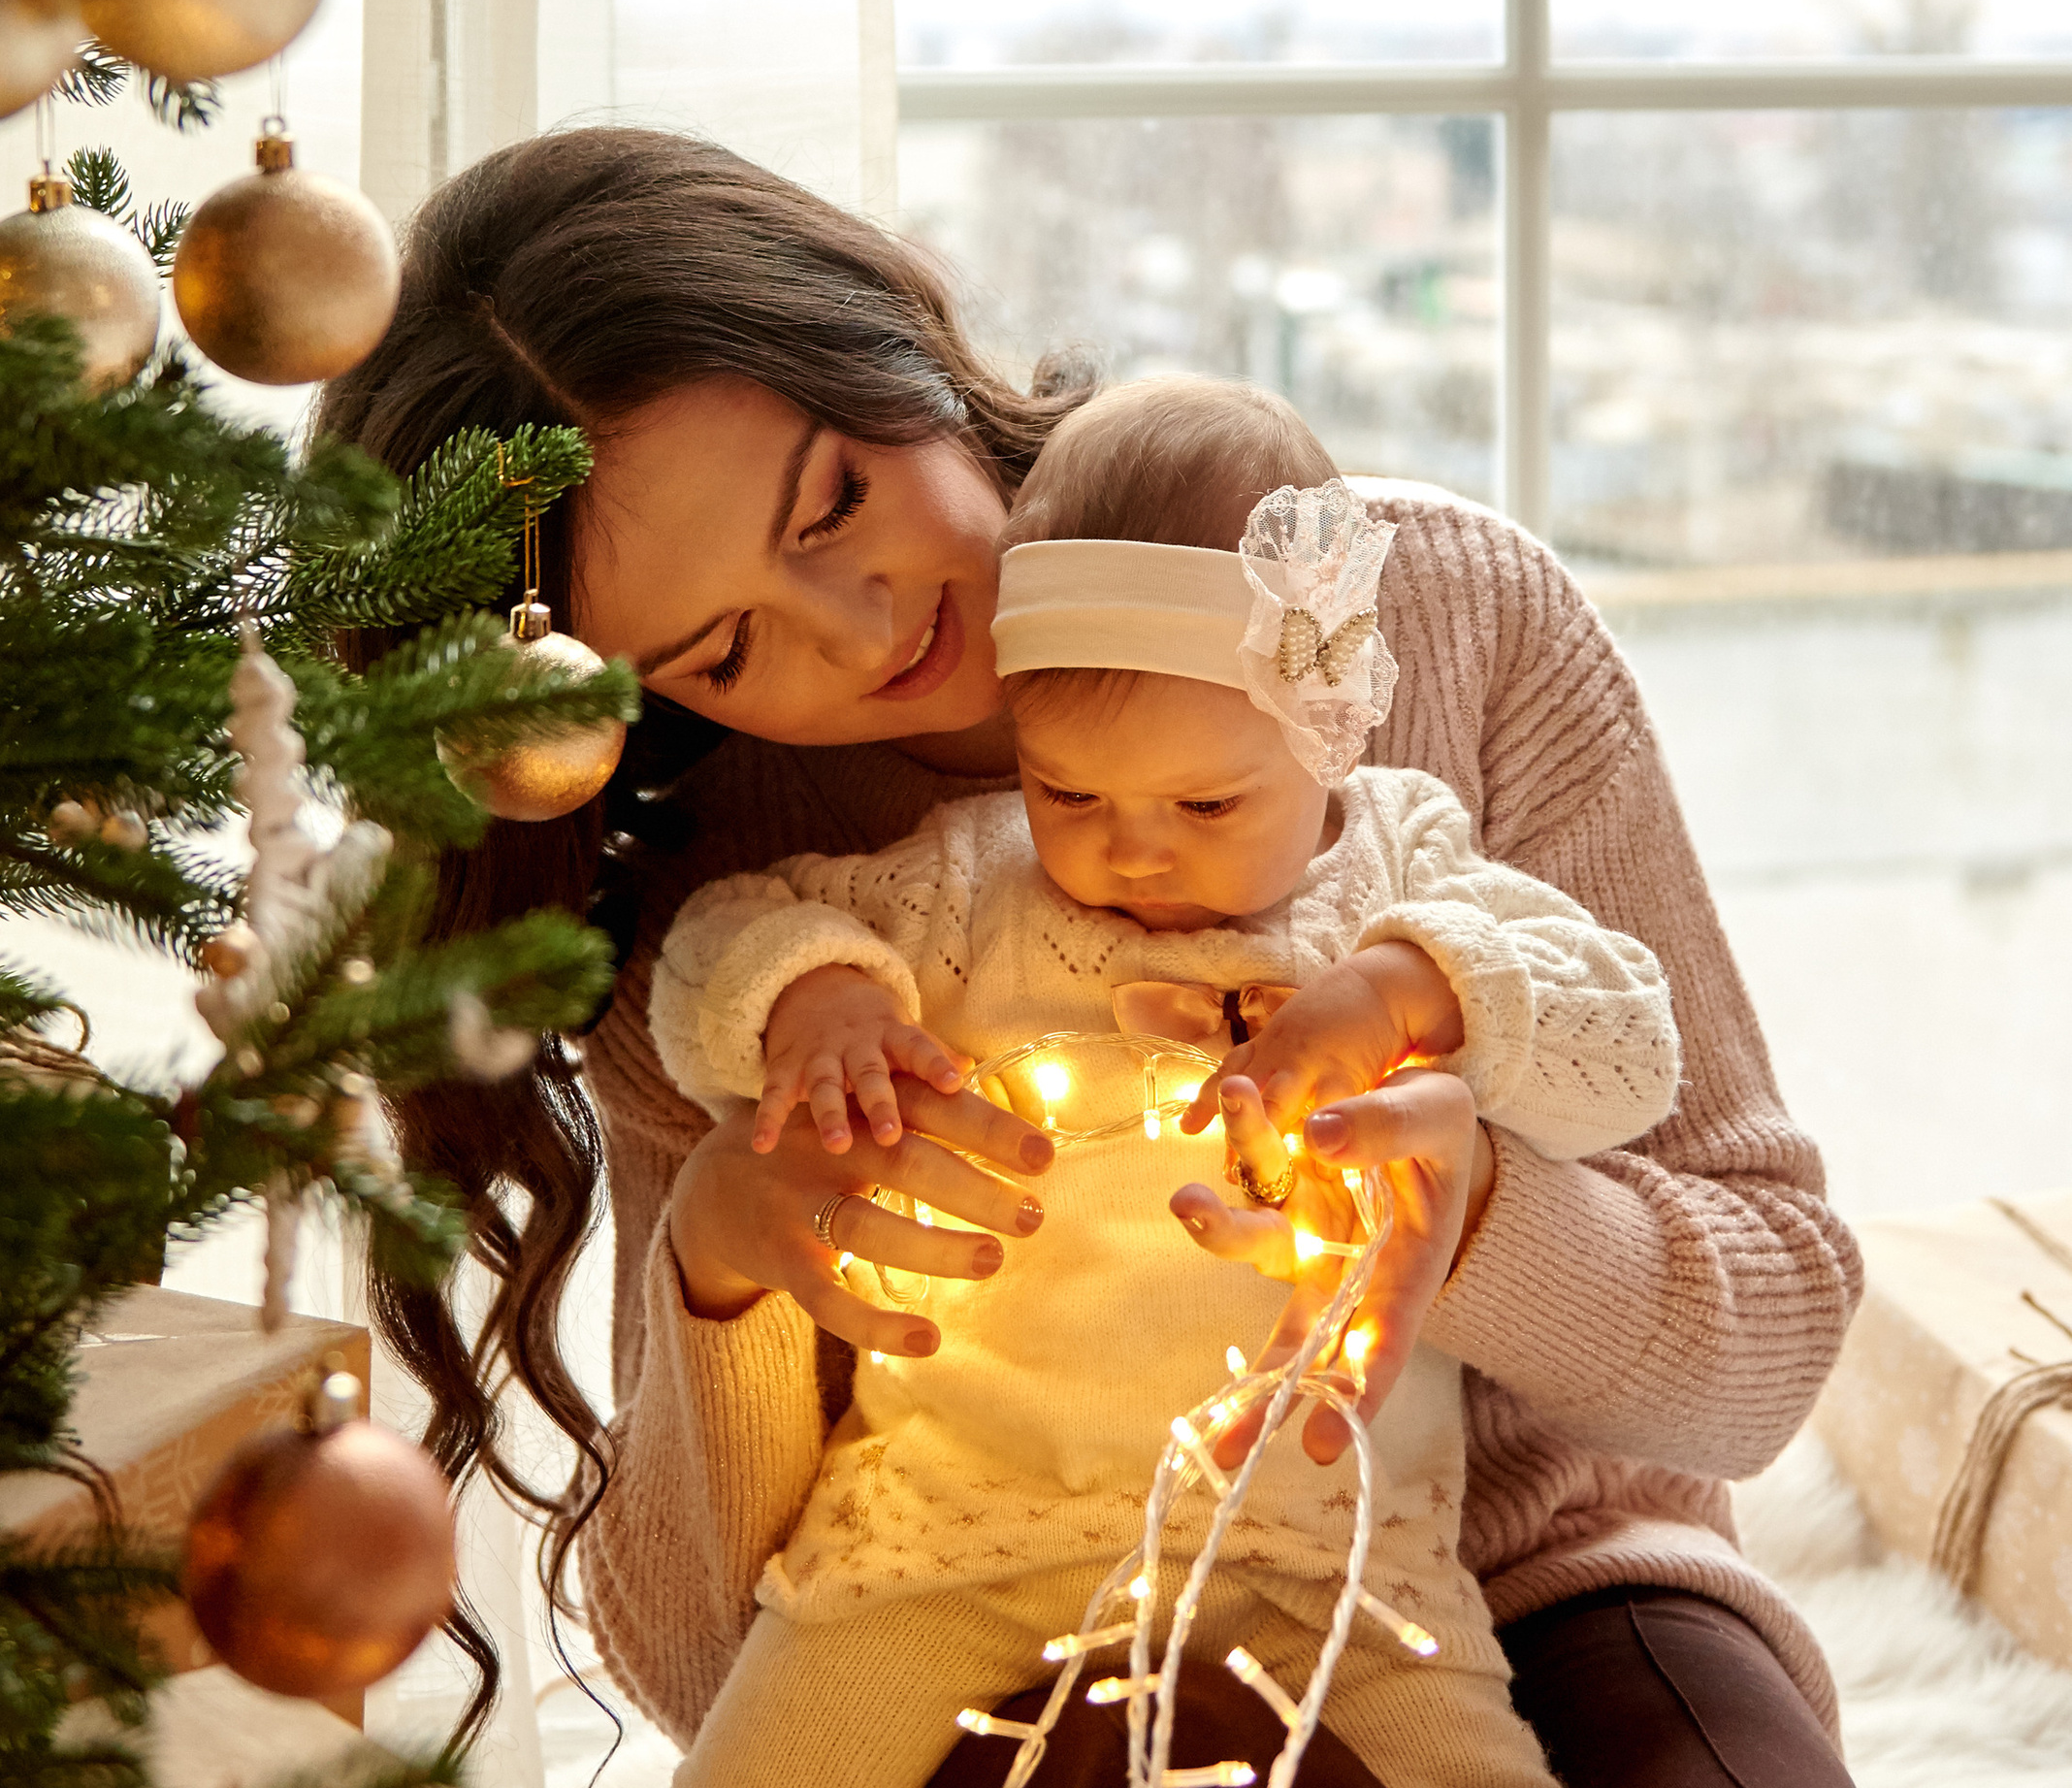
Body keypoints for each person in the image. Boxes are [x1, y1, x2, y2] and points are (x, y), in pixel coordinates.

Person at [318, 125, 1862, 1788]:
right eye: (723, 645)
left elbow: (1766, 1344)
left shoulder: (1434, 617)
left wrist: (1479, 1211)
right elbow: (711, 1671)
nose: (861, 626)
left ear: (888, 333)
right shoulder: (729, 905)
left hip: (1532, 1586)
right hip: (1006, 1601)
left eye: (835, 498)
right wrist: (726, 1277)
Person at [645, 378, 1683, 1788]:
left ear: (1329, 732)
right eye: (1069, 793)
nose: (1132, 853)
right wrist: (811, 994)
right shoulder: (963, 880)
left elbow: (1630, 1050)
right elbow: (709, 957)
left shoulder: (1400, 879)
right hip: (942, 1549)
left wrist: (1417, 992)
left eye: (1204, 806)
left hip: (1337, 1560)